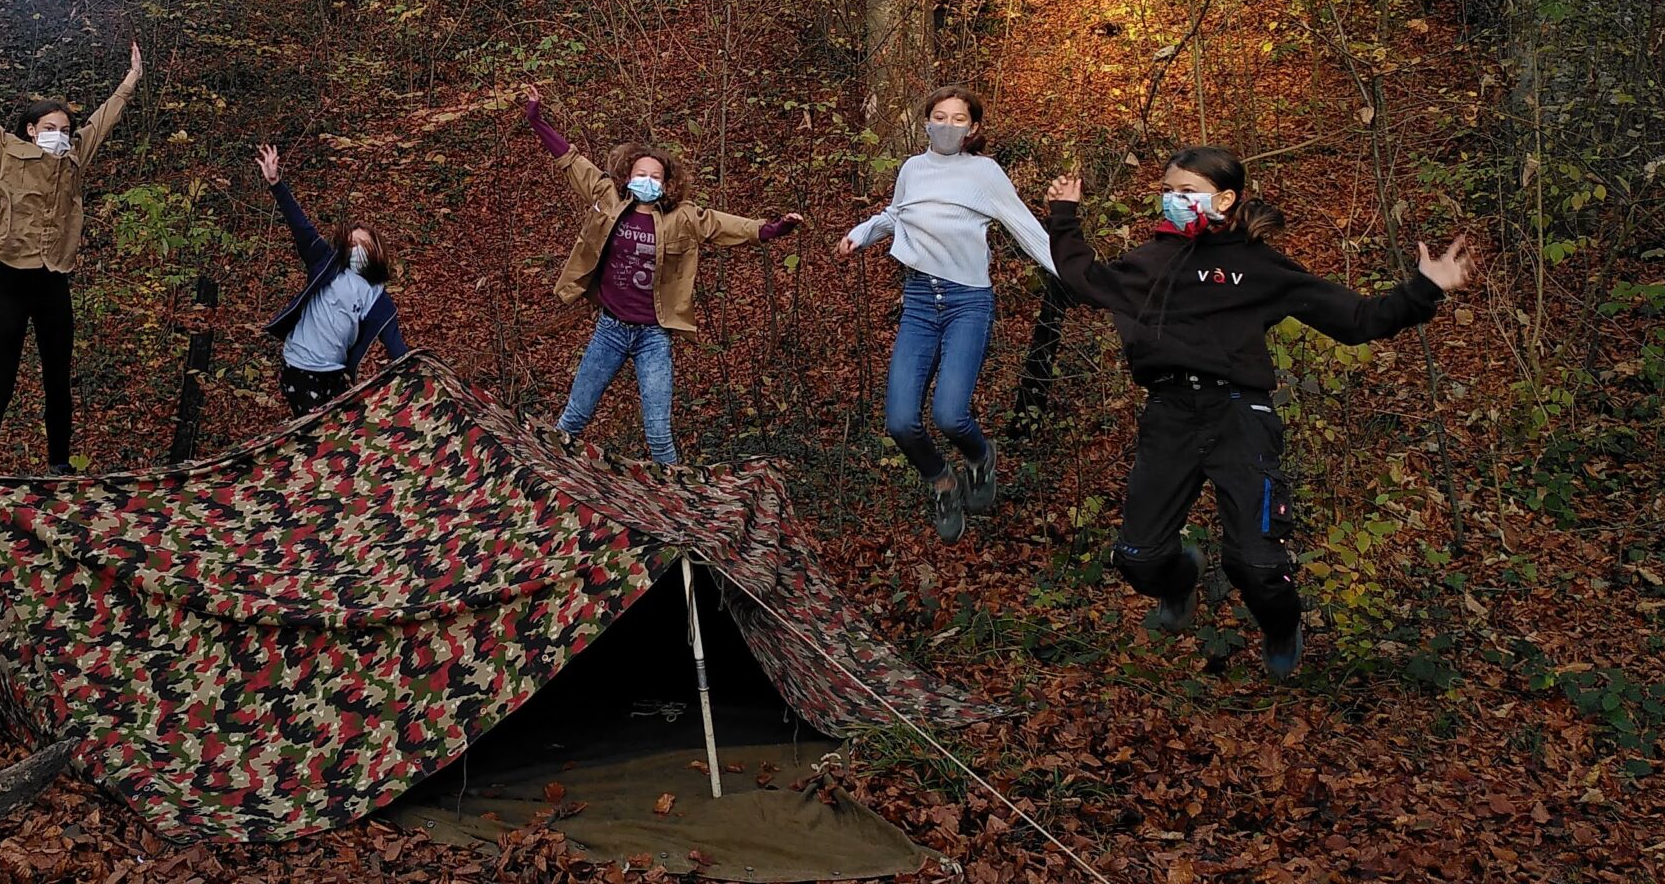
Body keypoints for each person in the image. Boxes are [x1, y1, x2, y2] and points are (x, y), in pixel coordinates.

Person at [1044, 145, 1476, 680]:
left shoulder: (1258, 266)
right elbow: (1084, 280)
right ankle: (1180, 579)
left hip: (1239, 415)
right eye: (1169, 190)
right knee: (1137, 557)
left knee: (1255, 562)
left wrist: (1425, 288)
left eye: (1189, 192)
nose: (1174, 200)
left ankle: (1280, 625)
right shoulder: (1147, 264)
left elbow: (1358, 319)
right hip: (1169, 414)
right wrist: (1064, 216)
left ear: (1225, 199)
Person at [523, 89, 801, 469]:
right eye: (641, 174)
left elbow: (724, 225)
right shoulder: (609, 199)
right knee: (574, 417)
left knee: (658, 433)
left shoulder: (682, 217)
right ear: (628, 177)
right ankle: (542, 476)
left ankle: (678, 504)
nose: (648, 180)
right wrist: (537, 119)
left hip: (654, 335)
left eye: (656, 176)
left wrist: (772, 229)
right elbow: (573, 163)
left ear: (667, 183)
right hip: (610, 330)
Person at [0, 6, 141, 474]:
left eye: (64, 130)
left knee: (58, 382)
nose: (59, 137)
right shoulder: (3, 150)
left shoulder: (75, 156)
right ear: (31, 130)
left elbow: (105, 119)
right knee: (1, 381)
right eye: (50, 129)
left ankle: (58, 468)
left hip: (54, 285)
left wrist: (130, 80)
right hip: (12, 284)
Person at [837, 84, 1059, 542]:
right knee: (900, 422)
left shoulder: (985, 173)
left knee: (951, 416)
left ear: (973, 128)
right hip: (919, 302)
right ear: (926, 122)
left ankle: (980, 458)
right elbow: (896, 214)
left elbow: (1026, 228)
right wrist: (863, 232)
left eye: (959, 119)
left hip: (968, 302)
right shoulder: (912, 168)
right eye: (940, 116)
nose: (948, 125)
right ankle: (941, 480)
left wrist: (1078, 273)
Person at [254, 144, 408, 414]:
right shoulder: (327, 264)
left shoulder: (378, 299)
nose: (355, 248)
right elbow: (301, 226)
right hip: (299, 365)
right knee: (315, 434)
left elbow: (397, 349)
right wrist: (276, 184)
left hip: (334, 372)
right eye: (352, 243)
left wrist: (417, 379)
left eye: (362, 243)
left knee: (345, 431)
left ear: (376, 252)